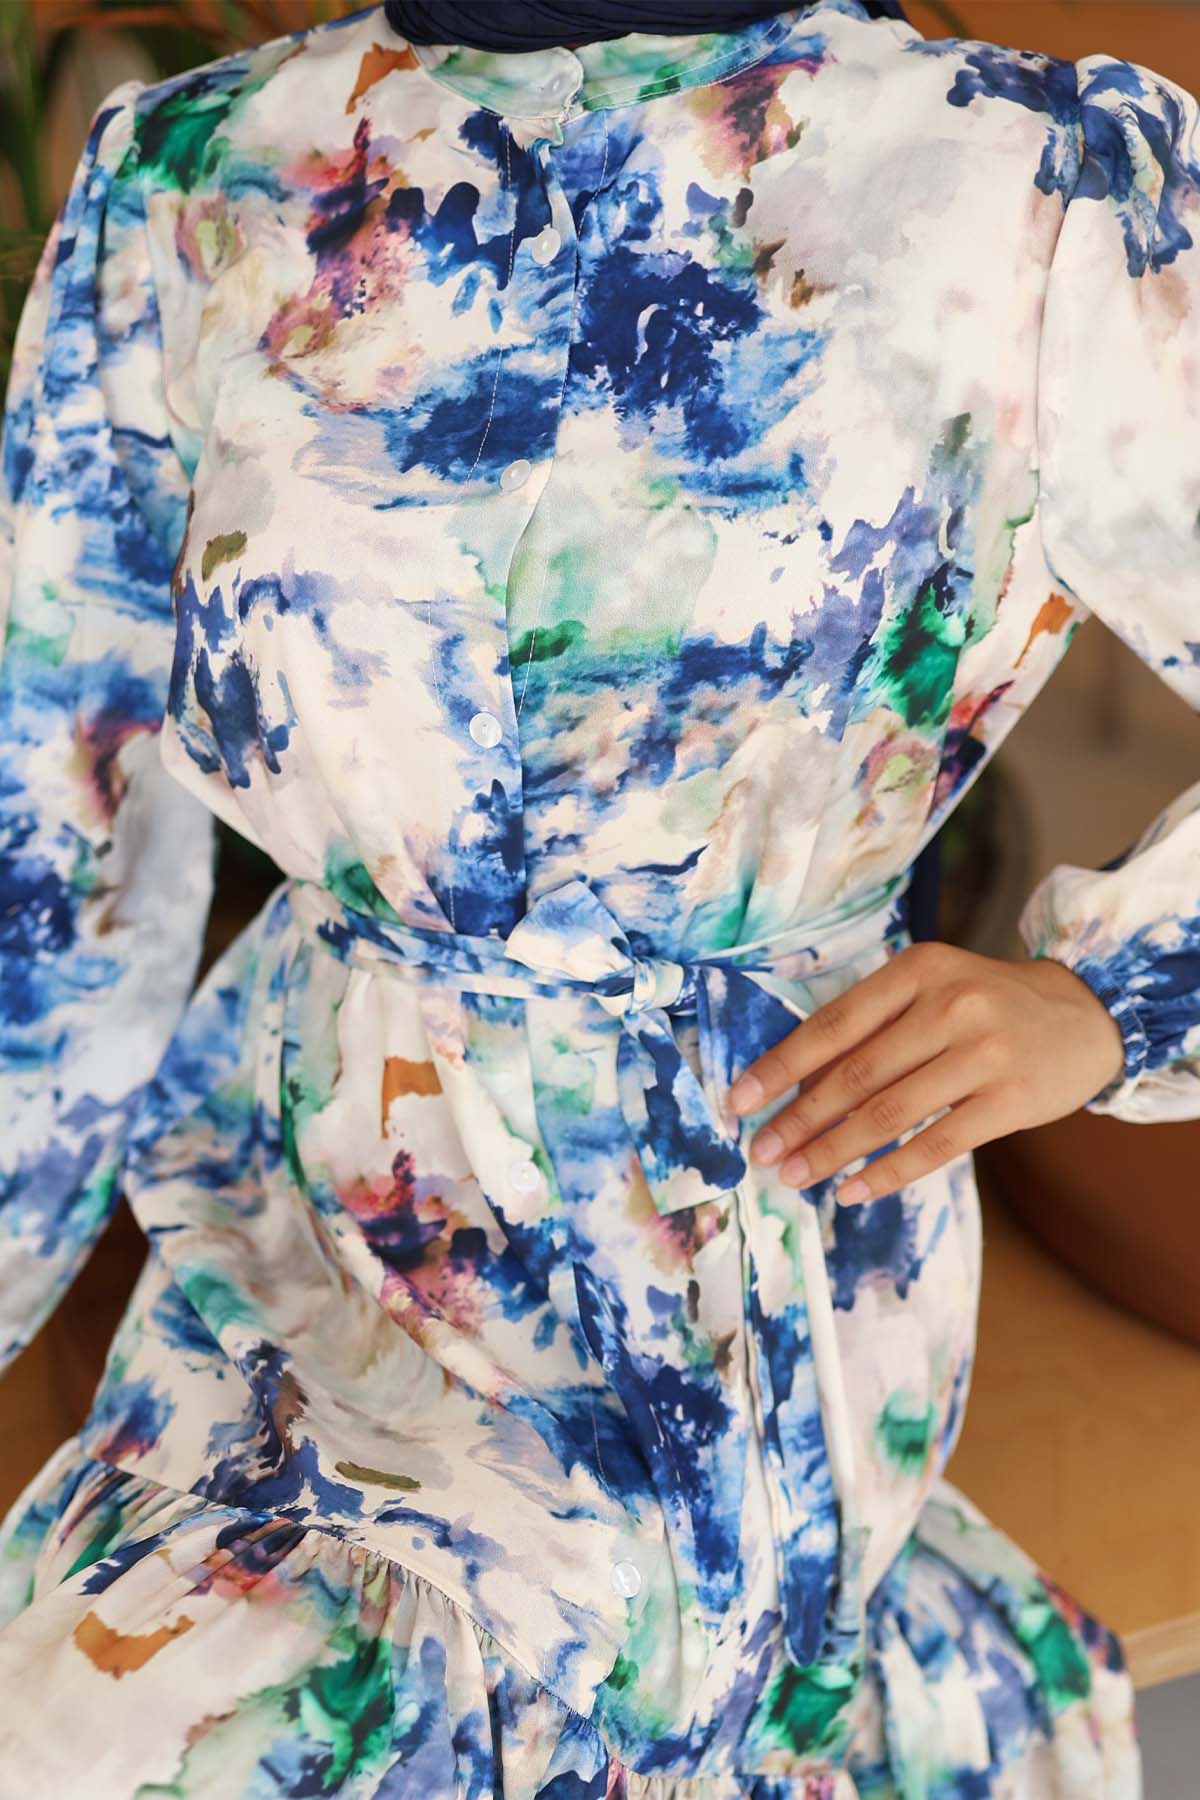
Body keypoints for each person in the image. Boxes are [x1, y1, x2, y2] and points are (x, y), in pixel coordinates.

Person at [0, 0, 1194, 1791]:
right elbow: (55, 832)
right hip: (313, 1210)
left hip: (740, 1232)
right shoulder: (198, 177)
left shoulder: (1030, 179)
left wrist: (1113, 1001)